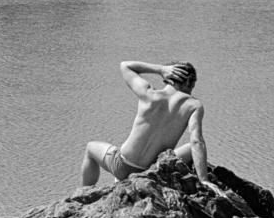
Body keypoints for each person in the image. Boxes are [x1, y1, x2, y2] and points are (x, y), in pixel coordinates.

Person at [81, 59, 224, 195]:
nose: (192, 90)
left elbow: (125, 66)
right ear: (188, 82)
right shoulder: (194, 105)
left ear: (168, 77)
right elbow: (196, 141)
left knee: (90, 148)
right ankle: (123, 182)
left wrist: (160, 69)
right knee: (190, 148)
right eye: (193, 86)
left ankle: (84, 194)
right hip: (152, 171)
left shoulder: (148, 93)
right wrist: (204, 180)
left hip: (121, 166)